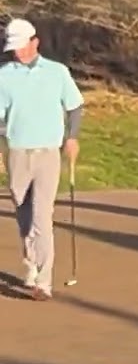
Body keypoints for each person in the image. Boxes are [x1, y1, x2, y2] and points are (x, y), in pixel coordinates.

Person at [0, 18, 83, 301]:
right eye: (14, 48)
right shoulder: (4, 75)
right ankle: (31, 262)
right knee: (23, 214)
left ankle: (43, 281)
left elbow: (74, 106)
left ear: (34, 42)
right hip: (17, 152)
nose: (18, 53)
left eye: (22, 46)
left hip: (48, 152)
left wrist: (72, 138)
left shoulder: (57, 72)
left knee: (41, 215)